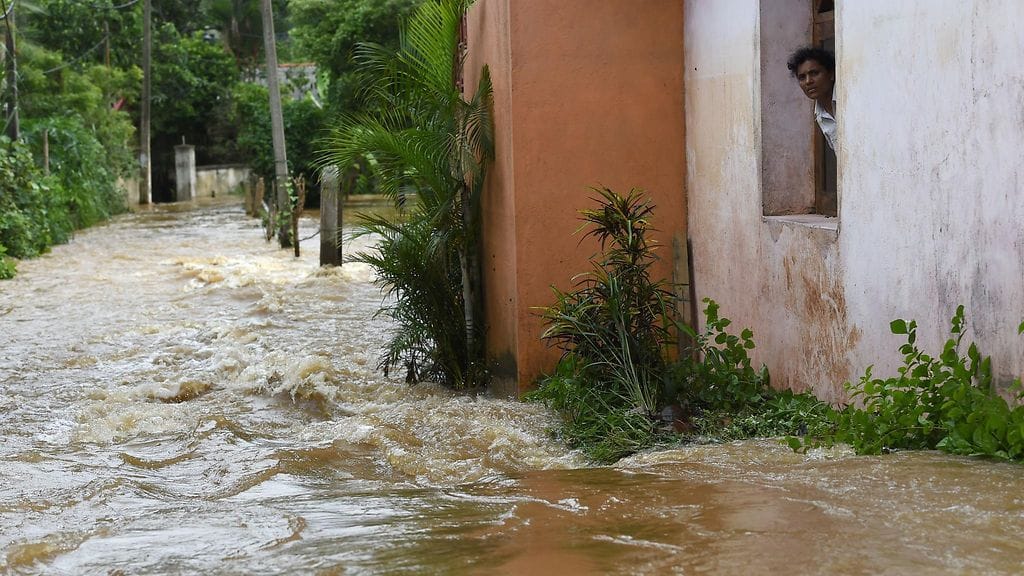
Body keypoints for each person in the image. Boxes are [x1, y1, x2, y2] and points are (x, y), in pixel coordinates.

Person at [787, 47, 836, 151]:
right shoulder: (820, 115)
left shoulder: (849, 101)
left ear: (831, 74)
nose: (808, 81)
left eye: (814, 73)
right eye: (802, 77)